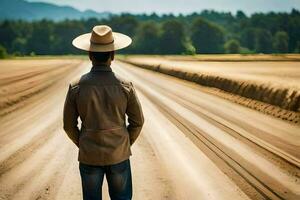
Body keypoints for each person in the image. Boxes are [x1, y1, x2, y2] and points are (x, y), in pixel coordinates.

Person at [63, 25, 144, 200]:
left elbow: (68, 126)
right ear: (113, 55)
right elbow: (138, 122)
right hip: (119, 154)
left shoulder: (76, 86)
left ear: (90, 55)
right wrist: (124, 143)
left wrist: (84, 142)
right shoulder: (125, 86)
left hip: (89, 155)